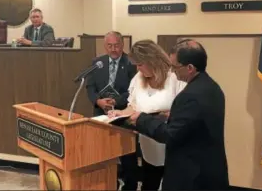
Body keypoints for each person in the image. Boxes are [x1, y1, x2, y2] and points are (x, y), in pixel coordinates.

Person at [128, 39, 229, 190]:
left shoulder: (190, 95)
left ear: (189, 68)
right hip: (208, 168)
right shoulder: (212, 87)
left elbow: (170, 135)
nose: (173, 71)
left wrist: (141, 119)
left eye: (175, 67)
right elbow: (190, 122)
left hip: (193, 174)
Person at [108, 39, 186, 191]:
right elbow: (133, 106)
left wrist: (160, 116)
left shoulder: (175, 78)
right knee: (149, 183)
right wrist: (120, 113)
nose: (137, 68)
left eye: (140, 64)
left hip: (170, 143)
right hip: (148, 143)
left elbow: (183, 111)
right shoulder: (138, 79)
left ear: (153, 60)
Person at [86, 31, 138, 190]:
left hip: (124, 114)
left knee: (127, 153)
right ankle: (109, 182)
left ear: (122, 45)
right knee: (103, 152)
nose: (113, 49)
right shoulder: (97, 62)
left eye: (117, 45)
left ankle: (130, 185)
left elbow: (134, 91)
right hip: (101, 113)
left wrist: (116, 101)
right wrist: (98, 101)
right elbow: (90, 87)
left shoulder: (131, 63)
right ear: (105, 46)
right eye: (110, 46)